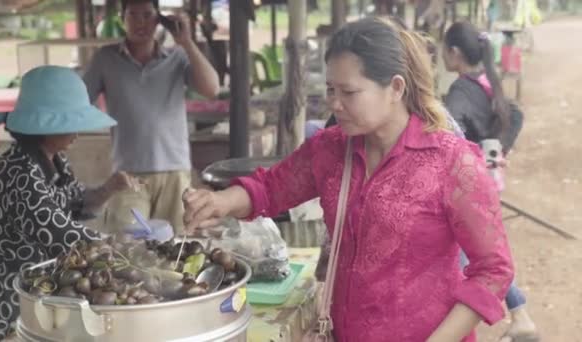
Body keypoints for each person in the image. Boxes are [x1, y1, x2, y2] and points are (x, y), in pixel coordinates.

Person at [183, 18, 514, 341]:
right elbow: (271, 188)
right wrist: (219, 201)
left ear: (395, 88)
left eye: (349, 92)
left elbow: (493, 270)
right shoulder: (330, 149)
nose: (334, 104)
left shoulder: (453, 162)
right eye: (330, 89)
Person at [0, 66, 139, 342]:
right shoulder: (20, 173)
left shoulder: (53, 159)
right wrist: (127, 250)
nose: (77, 132)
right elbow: (63, 236)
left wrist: (110, 187)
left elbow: (76, 203)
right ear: (43, 126)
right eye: (69, 122)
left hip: (28, 291)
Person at [83, 0, 220, 235]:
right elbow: (81, 100)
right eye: (133, 15)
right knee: (127, 250)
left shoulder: (177, 57)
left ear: (159, 19)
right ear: (122, 19)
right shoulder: (105, 59)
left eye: (147, 15)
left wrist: (186, 42)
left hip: (174, 171)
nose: (140, 22)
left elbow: (212, 88)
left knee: (176, 248)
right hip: (128, 174)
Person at [443, 21, 539, 342]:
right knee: (482, 251)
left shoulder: (460, 90)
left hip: (466, 186)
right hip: (489, 180)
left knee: (473, 255)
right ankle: (520, 314)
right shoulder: (487, 81)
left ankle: (517, 315)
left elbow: (449, 130)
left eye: (444, 50)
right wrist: (499, 149)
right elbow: (516, 113)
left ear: (454, 53)